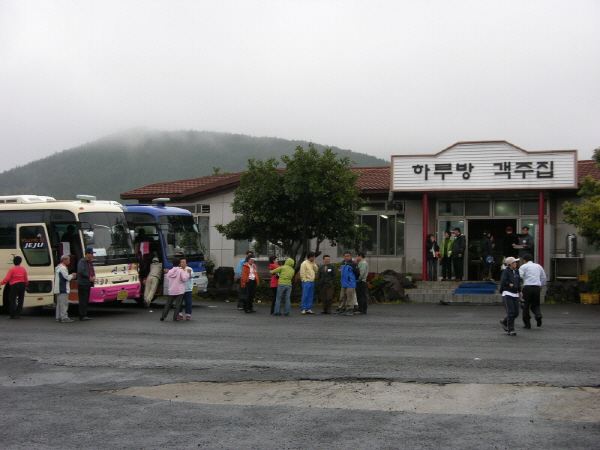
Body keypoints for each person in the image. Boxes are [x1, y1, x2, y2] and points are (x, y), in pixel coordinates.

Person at [519, 253, 547, 329]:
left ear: (524, 260)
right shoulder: (538, 266)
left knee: (526, 306)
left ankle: (527, 324)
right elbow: (543, 277)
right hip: (536, 288)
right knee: (535, 304)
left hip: (527, 287)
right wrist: (541, 285)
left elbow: (520, 276)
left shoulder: (523, 267)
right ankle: (538, 315)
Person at [499, 256, 521, 336]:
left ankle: (505, 320)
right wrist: (509, 284)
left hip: (515, 293)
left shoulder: (516, 271)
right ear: (511, 264)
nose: (516, 263)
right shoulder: (506, 271)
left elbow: (518, 281)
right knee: (511, 312)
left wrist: (520, 290)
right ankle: (511, 329)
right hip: (507, 293)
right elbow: (503, 280)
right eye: (515, 262)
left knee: (516, 312)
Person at [54, 255, 76, 323]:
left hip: (59, 288)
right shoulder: (63, 268)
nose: (69, 261)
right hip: (62, 288)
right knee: (64, 303)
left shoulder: (58, 267)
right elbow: (67, 277)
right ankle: (64, 317)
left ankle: (59, 317)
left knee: (59, 304)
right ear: (65, 260)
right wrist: (72, 275)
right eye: (68, 260)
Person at [336, 251, 359, 316]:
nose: (347, 257)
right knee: (342, 296)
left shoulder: (353, 264)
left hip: (350, 283)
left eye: (348, 256)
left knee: (350, 297)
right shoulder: (343, 263)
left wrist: (353, 279)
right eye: (345, 256)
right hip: (343, 283)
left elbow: (357, 273)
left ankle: (350, 309)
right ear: (343, 257)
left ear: (350, 256)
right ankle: (341, 308)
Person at [77, 247, 96, 321]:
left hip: (88, 283)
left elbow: (92, 270)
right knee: (83, 300)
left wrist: (93, 276)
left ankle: (85, 314)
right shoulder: (82, 261)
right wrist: (89, 277)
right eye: (91, 254)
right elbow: (81, 271)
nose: (92, 255)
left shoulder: (90, 262)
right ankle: (82, 315)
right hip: (82, 283)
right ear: (87, 254)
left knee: (86, 299)